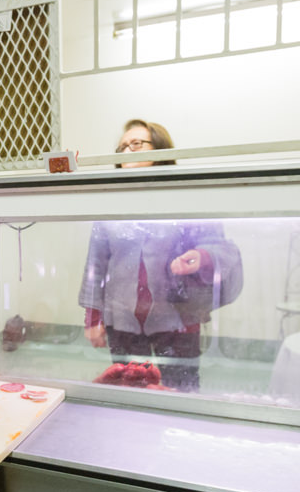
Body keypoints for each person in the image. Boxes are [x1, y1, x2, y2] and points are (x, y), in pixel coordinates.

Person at [79, 120, 243, 391]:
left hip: (177, 319)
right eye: (121, 148)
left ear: (160, 150)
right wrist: (93, 318)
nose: (126, 152)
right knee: (130, 388)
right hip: (122, 318)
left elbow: (219, 246)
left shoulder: (186, 195)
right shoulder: (108, 200)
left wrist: (200, 256)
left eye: (136, 144)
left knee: (180, 391)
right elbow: (95, 263)